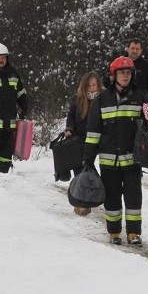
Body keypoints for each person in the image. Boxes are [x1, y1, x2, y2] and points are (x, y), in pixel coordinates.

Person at [83, 55, 148, 245]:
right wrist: (88, 157)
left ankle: (134, 233)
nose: (125, 76)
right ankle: (114, 232)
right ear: (114, 75)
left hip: (132, 160)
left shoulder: (140, 97)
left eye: (128, 73)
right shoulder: (102, 99)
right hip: (108, 160)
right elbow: (94, 131)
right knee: (112, 198)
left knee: (133, 198)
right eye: (122, 73)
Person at [63, 71, 104, 212]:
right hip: (80, 138)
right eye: (89, 85)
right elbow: (71, 116)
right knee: (80, 168)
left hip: (98, 139)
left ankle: (91, 194)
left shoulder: (104, 98)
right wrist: (69, 128)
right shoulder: (78, 99)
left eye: (94, 85)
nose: (92, 88)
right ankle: (80, 200)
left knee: (91, 168)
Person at [0, 43, 28, 174]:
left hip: (9, 124)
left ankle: (4, 174)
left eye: (3, 57)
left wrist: (24, 111)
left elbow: (22, 95)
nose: (1, 60)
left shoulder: (14, 75)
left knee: (6, 153)